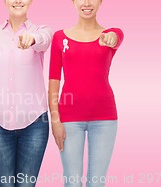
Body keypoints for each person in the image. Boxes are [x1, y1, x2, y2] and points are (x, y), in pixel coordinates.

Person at [0, 0, 52, 186]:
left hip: (34, 124)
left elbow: (44, 40)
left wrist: (32, 39)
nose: (18, 1)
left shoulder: (41, 31)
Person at [48, 0, 124, 186]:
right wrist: (55, 120)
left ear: (100, 2)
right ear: (73, 2)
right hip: (69, 119)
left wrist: (112, 37)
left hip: (105, 118)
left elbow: (117, 36)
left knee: (97, 182)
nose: (87, 3)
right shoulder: (59, 37)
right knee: (72, 181)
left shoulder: (110, 35)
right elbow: (53, 83)